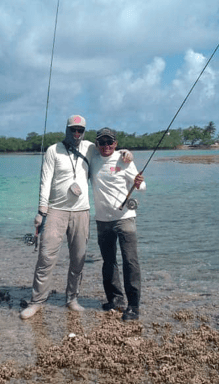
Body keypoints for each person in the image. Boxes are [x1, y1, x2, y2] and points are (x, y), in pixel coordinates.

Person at [20, 116, 132, 320]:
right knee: (46, 256)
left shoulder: (90, 147)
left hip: (82, 211)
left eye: (80, 130)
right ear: (66, 129)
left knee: (78, 259)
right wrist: (41, 211)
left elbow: (110, 154)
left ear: (84, 131)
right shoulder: (53, 150)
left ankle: (72, 298)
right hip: (55, 210)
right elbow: (45, 181)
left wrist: (126, 153)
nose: (76, 134)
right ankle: (37, 301)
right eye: (73, 130)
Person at [90, 127, 146, 321]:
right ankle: (115, 299)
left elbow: (142, 186)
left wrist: (138, 183)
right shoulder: (93, 159)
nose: (106, 146)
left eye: (110, 142)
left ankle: (133, 306)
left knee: (130, 261)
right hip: (102, 220)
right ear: (97, 144)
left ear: (115, 143)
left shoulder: (124, 160)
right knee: (109, 262)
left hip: (125, 218)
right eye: (102, 142)